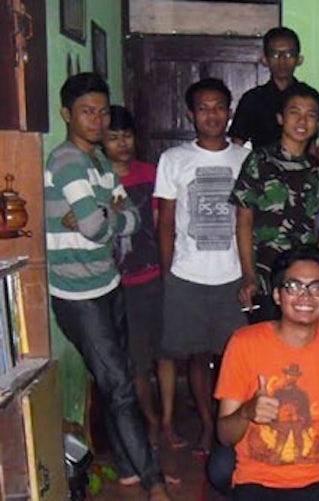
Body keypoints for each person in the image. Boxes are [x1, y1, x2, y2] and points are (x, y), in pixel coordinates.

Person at [45, 73, 170, 500]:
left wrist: (102, 216)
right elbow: (99, 227)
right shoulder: (67, 162)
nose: (97, 120)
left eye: (102, 111)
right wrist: (104, 216)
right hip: (77, 295)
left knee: (117, 382)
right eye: (87, 112)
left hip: (108, 282)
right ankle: (154, 481)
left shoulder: (98, 160)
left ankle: (130, 467)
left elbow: (131, 219)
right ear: (66, 114)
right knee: (119, 386)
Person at [214, 246, 319, 499]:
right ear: (277, 295)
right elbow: (225, 435)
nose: (305, 296)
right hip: (259, 479)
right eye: (294, 286)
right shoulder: (244, 342)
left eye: (317, 288)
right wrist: (247, 412)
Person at [154, 77, 249, 455]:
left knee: (235, 358)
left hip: (233, 276)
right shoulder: (174, 159)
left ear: (230, 112)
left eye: (219, 107)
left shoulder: (245, 159)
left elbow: (250, 221)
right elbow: (165, 223)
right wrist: (168, 276)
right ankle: (208, 428)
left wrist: (249, 274)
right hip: (187, 275)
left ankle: (231, 427)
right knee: (197, 356)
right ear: (191, 115)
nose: (212, 115)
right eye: (204, 108)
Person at [103, 105, 185, 450]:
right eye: (113, 137)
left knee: (167, 353)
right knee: (137, 362)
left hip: (158, 274)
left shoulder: (151, 174)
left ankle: (168, 421)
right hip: (122, 283)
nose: (122, 143)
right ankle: (150, 421)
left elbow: (167, 221)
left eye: (127, 136)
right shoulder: (100, 179)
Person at [230, 82, 319, 322]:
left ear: (318, 123)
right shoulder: (260, 160)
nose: (302, 121)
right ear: (280, 118)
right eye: (295, 113)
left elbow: (318, 225)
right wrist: (249, 275)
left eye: (310, 115)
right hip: (265, 275)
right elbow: (244, 220)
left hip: (303, 276)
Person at [229, 27, 305, 149]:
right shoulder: (253, 99)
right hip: (262, 160)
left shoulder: (307, 97)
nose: (282, 60)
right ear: (265, 59)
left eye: (289, 54)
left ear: (299, 59)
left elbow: (313, 146)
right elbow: (237, 144)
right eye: (275, 54)